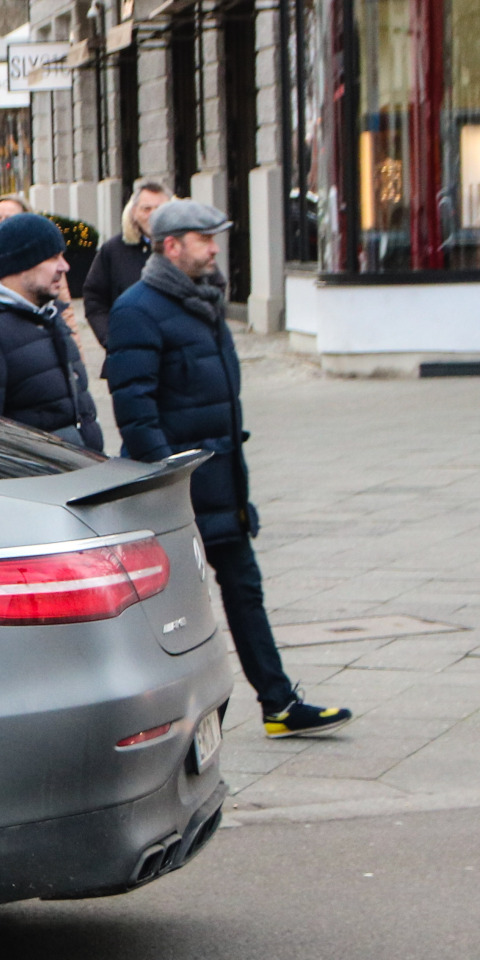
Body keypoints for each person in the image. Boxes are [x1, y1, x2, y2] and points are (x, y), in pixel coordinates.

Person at [108, 201, 350, 739]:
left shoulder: (204, 302)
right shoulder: (138, 309)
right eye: (204, 239)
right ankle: (167, 720)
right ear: (171, 246)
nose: (215, 248)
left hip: (225, 486)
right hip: (178, 494)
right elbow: (136, 410)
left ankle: (279, 704)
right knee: (174, 615)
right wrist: (170, 482)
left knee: (245, 590)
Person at [0, 214, 104, 451]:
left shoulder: (48, 315)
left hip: (79, 474)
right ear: (21, 264)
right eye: (53, 258)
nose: (65, 266)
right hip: (38, 482)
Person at [82, 178, 169, 356]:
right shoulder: (113, 250)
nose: (153, 215)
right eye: (146, 209)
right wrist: (111, 339)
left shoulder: (185, 249)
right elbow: (94, 299)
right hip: (128, 356)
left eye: (160, 209)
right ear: (134, 212)